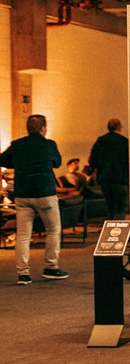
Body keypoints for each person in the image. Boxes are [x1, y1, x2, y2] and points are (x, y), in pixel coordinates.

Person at [0, 114, 69, 285]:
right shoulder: (49, 145)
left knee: (23, 235)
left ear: (28, 129)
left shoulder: (18, 145)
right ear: (43, 128)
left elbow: (3, 159)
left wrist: (19, 163)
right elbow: (57, 162)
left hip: (23, 195)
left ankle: (23, 274)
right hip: (45, 193)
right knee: (53, 230)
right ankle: (51, 267)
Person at [88, 118, 130, 219]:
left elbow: (92, 161)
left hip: (105, 179)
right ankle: (119, 226)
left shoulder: (100, 141)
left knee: (110, 207)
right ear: (119, 128)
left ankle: (110, 226)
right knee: (122, 208)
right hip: (121, 179)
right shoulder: (125, 142)